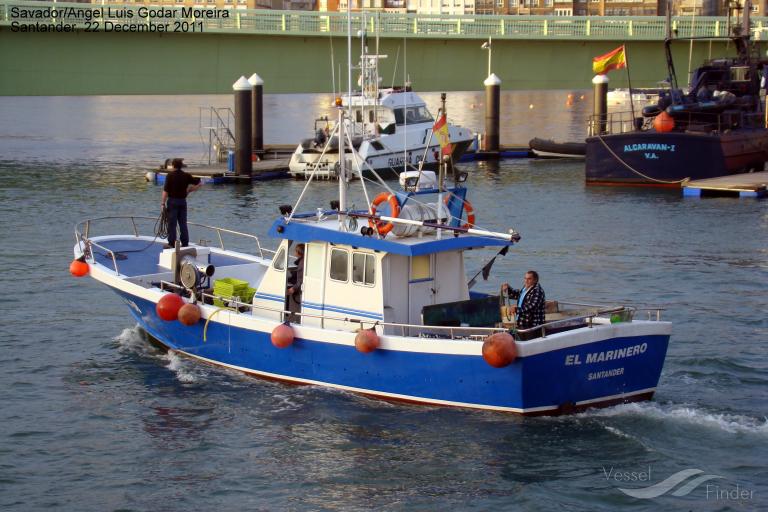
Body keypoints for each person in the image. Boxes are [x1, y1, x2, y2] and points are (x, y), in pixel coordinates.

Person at [161, 158, 201, 248]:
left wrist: (163, 203)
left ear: (173, 166)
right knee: (183, 223)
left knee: (172, 223)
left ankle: (171, 243)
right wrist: (191, 190)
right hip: (182, 202)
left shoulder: (170, 176)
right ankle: (185, 243)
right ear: (181, 166)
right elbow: (198, 182)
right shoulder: (186, 175)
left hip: (172, 202)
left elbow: (165, 191)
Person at [287, 244, 305, 323]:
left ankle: (293, 319)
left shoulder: (301, 263)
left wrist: (293, 288)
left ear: (298, 252)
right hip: (299, 286)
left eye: (295, 251)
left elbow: (300, 281)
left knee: (288, 292)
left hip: (300, 289)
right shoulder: (303, 261)